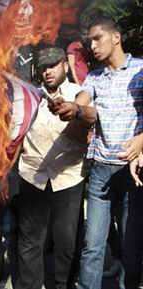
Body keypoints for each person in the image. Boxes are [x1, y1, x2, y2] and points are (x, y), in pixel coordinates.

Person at [49, 16, 143, 289]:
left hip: (133, 173)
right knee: (92, 247)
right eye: (89, 40)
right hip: (100, 171)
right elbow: (86, 108)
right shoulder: (94, 77)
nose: (92, 45)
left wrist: (141, 140)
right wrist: (72, 109)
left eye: (97, 38)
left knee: (130, 246)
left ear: (116, 37)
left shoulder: (140, 70)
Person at [14, 47, 89, 289]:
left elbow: (90, 124)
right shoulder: (29, 96)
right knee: (29, 242)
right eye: (43, 67)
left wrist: (75, 111)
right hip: (32, 176)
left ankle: (62, 284)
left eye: (53, 65)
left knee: (66, 242)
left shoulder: (81, 94)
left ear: (65, 66)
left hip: (68, 177)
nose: (48, 71)